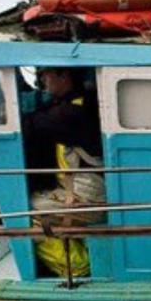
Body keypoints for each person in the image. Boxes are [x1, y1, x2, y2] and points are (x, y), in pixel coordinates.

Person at [22, 68, 105, 278]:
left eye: (44, 73)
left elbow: (30, 125)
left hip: (89, 199)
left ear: (64, 75)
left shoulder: (74, 112)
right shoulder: (77, 102)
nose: (40, 79)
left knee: (24, 215)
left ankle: (76, 268)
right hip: (81, 192)